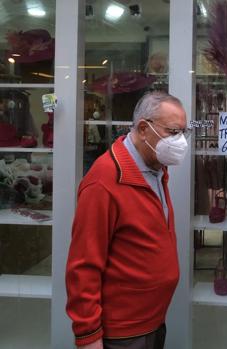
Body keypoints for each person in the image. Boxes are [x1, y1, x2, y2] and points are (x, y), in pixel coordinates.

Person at [66, 91, 189, 349]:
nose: (181, 142)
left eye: (183, 132)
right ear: (144, 129)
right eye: (173, 132)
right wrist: (88, 336)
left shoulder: (154, 167)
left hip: (153, 321)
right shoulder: (104, 181)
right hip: (123, 332)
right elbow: (83, 265)